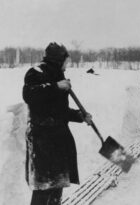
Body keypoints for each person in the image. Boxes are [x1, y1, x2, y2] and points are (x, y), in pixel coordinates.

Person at [23, 42, 92, 205]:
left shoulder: (58, 76)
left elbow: (59, 110)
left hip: (59, 138)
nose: (66, 66)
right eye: (65, 62)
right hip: (42, 139)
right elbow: (29, 95)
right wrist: (56, 87)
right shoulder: (36, 72)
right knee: (44, 185)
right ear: (57, 60)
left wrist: (79, 115)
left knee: (58, 183)